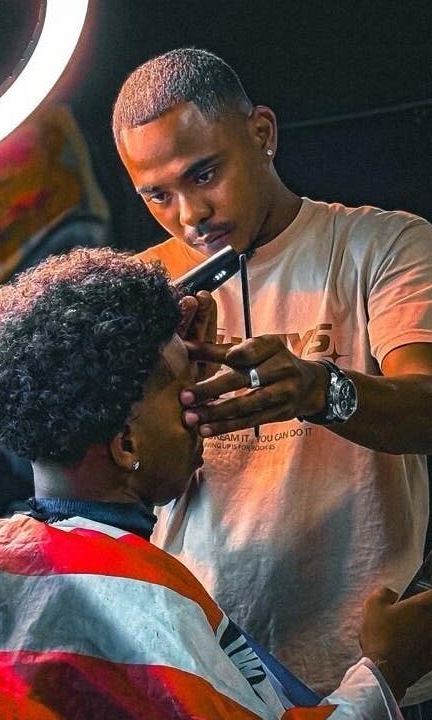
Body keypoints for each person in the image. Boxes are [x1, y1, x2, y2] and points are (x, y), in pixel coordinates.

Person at [0, 247, 432, 719]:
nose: (200, 405)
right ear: (127, 445)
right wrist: (386, 670)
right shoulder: (144, 597)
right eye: (184, 388)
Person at [112, 48, 432, 708]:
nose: (190, 213)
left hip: (371, 663)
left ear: (260, 133)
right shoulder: (142, 290)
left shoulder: (383, 245)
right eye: (158, 194)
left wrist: (324, 391)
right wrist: (169, 397)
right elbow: (135, 484)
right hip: (202, 663)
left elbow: (426, 409)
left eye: (203, 173)